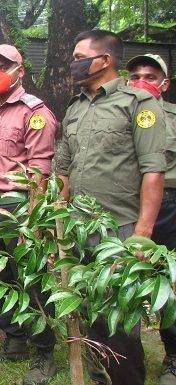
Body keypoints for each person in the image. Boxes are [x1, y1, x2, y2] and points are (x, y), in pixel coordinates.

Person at [54, 30, 167, 385]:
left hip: (118, 230)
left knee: (119, 322)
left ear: (104, 60)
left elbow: (153, 171)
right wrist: (54, 216)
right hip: (76, 227)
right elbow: (63, 169)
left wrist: (143, 234)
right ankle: (99, 378)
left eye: (79, 55)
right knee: (84, 313)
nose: (73, 62)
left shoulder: (138, 104)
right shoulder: (75, 107)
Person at [0, 44, 59, 385]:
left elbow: (40, 171)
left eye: (1, 67)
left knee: (31, 278)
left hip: (19, 205)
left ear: (20, 70)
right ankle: (15, 340)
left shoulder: (34, 112)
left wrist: (32, 222)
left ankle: (44, 351)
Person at [126, 53, 176, 385]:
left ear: (165, 83)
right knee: (125, 285)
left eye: (151, 75)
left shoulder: (173, 116)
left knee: (168, 286)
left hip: (169, 207)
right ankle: (122, 361)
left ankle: (172, 355)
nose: (142, 80)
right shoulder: (119, 111)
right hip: (127, 207)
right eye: (135, 75)